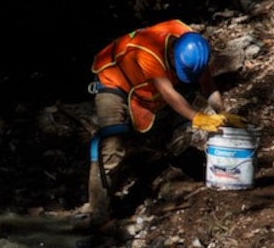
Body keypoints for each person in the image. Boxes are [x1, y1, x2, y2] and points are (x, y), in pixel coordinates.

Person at [86, 19, 246, 225]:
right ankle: (99, 216)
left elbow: (207, 82)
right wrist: (197, 117)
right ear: (172, 54)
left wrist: (222, 113)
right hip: (113, 83)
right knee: (112, 148)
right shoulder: (147, 52)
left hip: (142, 88)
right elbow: (168, 94)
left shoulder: (194, 46)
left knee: (151, 140)